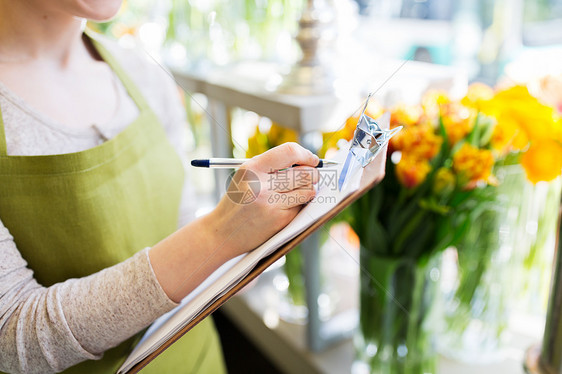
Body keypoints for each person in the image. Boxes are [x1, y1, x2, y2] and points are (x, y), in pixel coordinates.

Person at [0, 1, 324, 373]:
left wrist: (251, 248)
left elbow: (178, 231)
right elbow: (11, 337)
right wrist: (220, 233)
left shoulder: (142, 73)